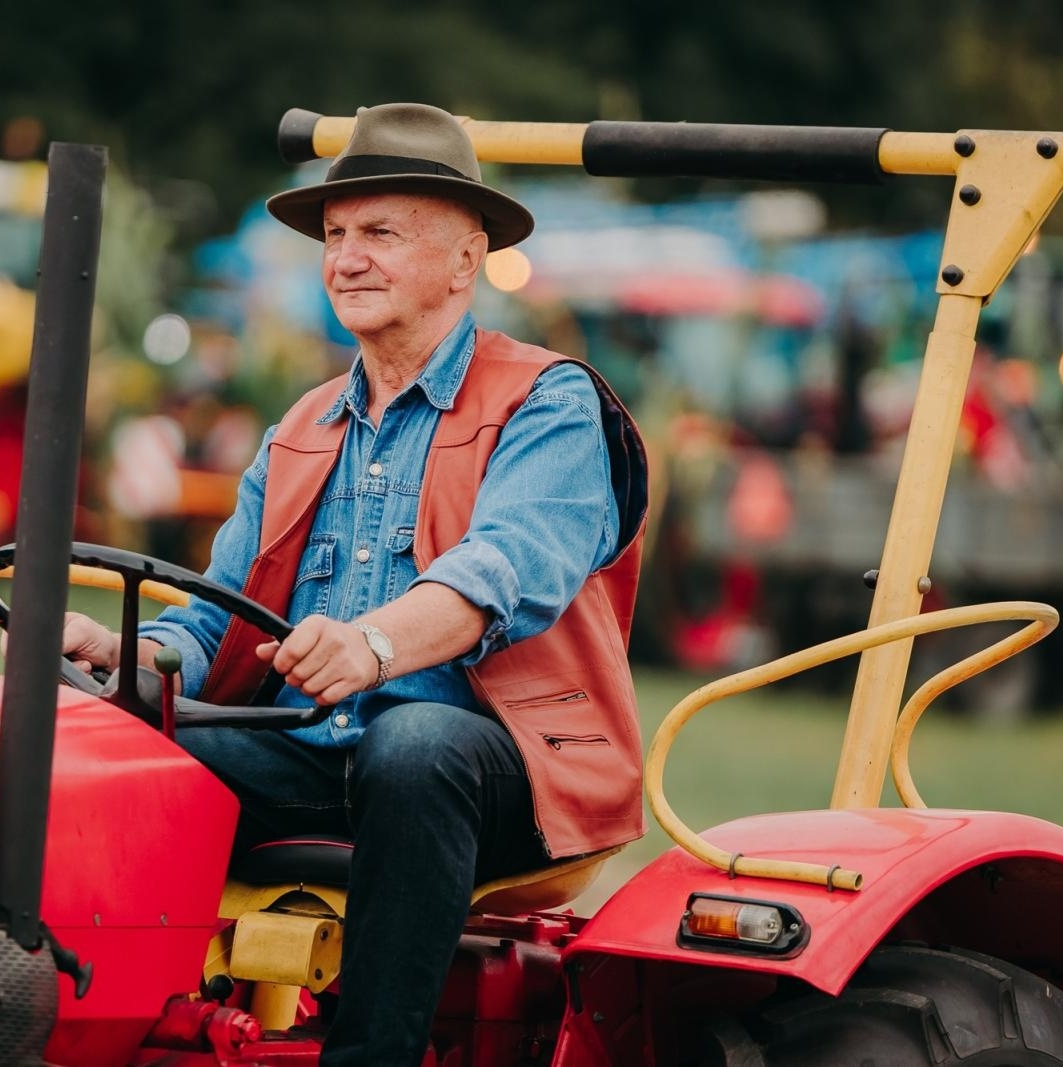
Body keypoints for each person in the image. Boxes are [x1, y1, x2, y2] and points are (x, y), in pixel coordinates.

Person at [56, 102, 648, 1067]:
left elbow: (505, 571)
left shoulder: (548, 399)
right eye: (335, 236)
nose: (346, 259)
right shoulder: (302, 426)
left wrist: (373, 645)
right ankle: (93, 1022)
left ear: (465, 260)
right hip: (310, 753)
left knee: (412, 745)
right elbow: (212, 622)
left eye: (379, 233)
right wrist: (130, 656)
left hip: (502, 767)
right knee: (96, 732)